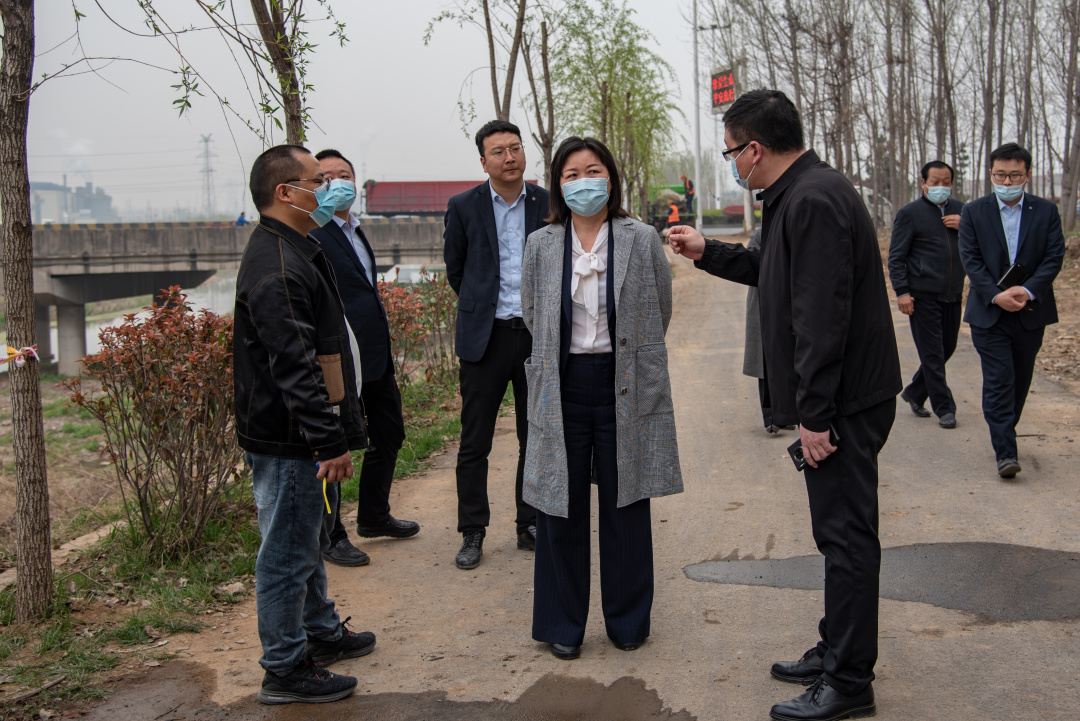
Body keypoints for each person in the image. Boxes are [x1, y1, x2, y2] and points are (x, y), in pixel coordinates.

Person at [668, 89, 901, 721]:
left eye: (730, 154)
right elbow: (768, 269)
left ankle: (849, 681)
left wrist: (815, 415)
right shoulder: (794, 195)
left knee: (847, 539)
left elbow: (822, 319)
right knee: (837, 536)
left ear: (755, 149)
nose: (732, 165)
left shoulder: (814, 200)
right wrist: (707, 251)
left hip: (845, 403)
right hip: (842, 399)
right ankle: (836, 648)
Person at [521, 136, 682, 661]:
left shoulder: (640, 237)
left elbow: (659, 306)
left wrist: (630, 353)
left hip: (624, 381)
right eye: (571, 175)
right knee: (558, 505)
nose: (582, 182)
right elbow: (532, 312)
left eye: (592, 171)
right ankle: (562, 624)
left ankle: (628, 620)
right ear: (558, 185)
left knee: (626, 500)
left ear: (610, 179)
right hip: (562, 384)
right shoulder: (542, 243)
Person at [234, 145, 376, 705]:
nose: (329, 190)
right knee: (288, 552)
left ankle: (320, 630)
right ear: (285, 192)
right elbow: (294, 368)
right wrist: (328, 442)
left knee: (308, 539)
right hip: (291, 437)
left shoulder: (295, 247)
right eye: (318, 181)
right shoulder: (277, 266)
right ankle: (285, 667)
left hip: (300, 433)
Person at [443, 120, 549, 570]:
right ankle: (472, 530)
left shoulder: (547, 203)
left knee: (535, 434)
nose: (510, 157)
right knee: (475, 441)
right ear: (483, 161)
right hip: (484, 339)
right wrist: (483, 306)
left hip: (536, 337)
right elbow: (456, 269)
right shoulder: (463, 206)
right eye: (499, 151)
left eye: (515, 148)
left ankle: (529, 523)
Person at [310, 148, 419, 567]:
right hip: (338, 359)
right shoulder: (313, 232)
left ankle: (373, 515)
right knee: (333, 447)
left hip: (373, 355)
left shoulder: (355, 229)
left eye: (345, 175)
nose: (338, 183)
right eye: (327, 177)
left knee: (389, 432)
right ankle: (330, 534)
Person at [958, 142, 1065, 479]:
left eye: (1015, 175)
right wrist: (995, 295)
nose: (1007, 181)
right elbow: (971, 259)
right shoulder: (974, 212)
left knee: (1020, 381)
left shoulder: (1045, 211)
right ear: (991, 174)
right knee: (999, 380)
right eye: (1001, 174)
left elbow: (1054, 256)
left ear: (1027, 175)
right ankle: (1005, 452)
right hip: (989, 314)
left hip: (1030, 312)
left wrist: (1028, 290)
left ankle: (1005, 429)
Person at [888, 160, 966, 429]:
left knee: (947, 348)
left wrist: (966, 227)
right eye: (935, 182)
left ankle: (915, 392)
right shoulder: (910, 213)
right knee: (932, 354)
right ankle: (945, 408)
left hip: (953, 293)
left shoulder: (963, 212)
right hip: (923, 296)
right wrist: (902, 292)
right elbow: (896, 257)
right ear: (923, 183)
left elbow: (980, 246)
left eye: (946, 182)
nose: (941, 186)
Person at [743, 229, 794, 434]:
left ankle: (786, 414)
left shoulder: (791, 233)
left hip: (788, 303)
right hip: (763, 304)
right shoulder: (759, 236)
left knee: (787, 362)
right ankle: (770, 417)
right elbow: (750, 265)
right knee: (764, 364)